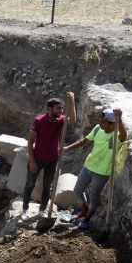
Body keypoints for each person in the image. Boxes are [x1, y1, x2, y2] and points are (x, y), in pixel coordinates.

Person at [63, 108, 127, 230]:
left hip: (102, 172)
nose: (100, 123)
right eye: (100, 120)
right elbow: (83, 141)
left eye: (103, 121)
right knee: (77, 190)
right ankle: (84, 212)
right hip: (89, 166)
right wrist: (67, 148)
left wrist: (120, 118)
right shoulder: (98, 129)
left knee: (94, 196)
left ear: (112, 124)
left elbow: (124, 136)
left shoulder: (116, 136)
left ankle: (86, 220)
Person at [21, 93, 76, 222]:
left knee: (48, 187)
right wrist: (32, 161)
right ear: (49, 109)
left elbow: (72, 119)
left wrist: (72, 101)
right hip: (38, 159)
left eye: (62, 109)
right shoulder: (39, 121)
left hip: (53, 160)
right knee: (29, 185)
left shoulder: (61, 121)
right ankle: (24, 210)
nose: (61, 111)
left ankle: (42, 210)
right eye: (58, 108)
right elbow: (30, 142)